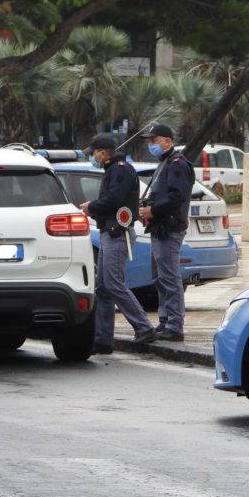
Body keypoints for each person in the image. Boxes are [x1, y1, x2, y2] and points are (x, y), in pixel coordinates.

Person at [80, 133, 157, 355]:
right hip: (110, 231)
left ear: (103, 153)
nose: (93, 157)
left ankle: (144, 327)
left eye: (94, 153)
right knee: (103, 288)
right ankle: (103, 340)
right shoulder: (114, 169)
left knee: (113, 283)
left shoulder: (120, 170)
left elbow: (114, 199)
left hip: (117, 233)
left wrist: (92, 206)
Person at [138, 123, 195, 342]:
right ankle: (165, 321)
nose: (151, 145)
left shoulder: (177, 164)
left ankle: (175, 325)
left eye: (154, 140)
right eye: (149, 141)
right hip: (159, 227)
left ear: (167, 141)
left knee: (169, 277)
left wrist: (153, 210)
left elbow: (176, 197)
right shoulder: (165, 163)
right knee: (159, 276)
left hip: (169, 228)